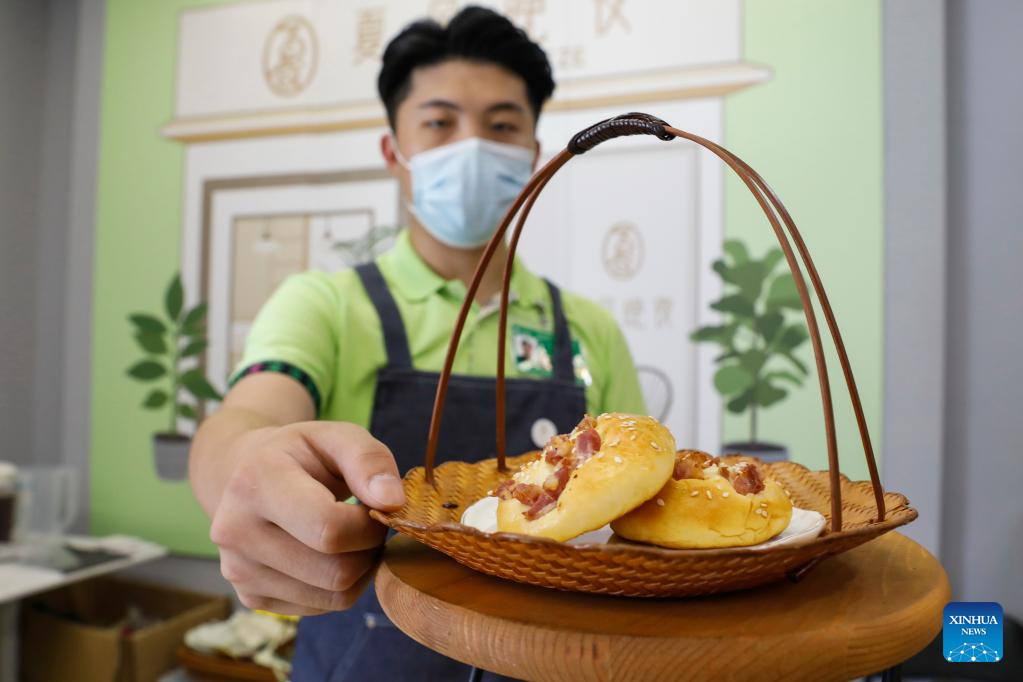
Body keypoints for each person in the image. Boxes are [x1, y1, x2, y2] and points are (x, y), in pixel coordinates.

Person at [189, 6, 646, 680]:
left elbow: (635, 493)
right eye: (438, 123)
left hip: (552, 657)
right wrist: (242, 464)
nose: (471, 146)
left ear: (532, 154)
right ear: (393, 153)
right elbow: (249, 416)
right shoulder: (326, 305)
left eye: (501, 126)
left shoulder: (588, 329)